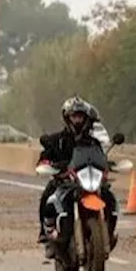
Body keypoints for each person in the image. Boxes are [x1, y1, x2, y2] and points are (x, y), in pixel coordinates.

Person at [36, 96, 118, 259]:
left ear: (86, 118)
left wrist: (109, 164)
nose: (77, 120)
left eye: (80, 116)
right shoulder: (58, 140)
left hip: (87, 179)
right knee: (48, 197)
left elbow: (100, 157)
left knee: (109, 197)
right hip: (66, 180)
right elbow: (44, 158)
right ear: (68, 118)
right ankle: (46, 234)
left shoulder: (93, 141)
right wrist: (50, 164)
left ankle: (108, 231)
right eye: (74, 116)